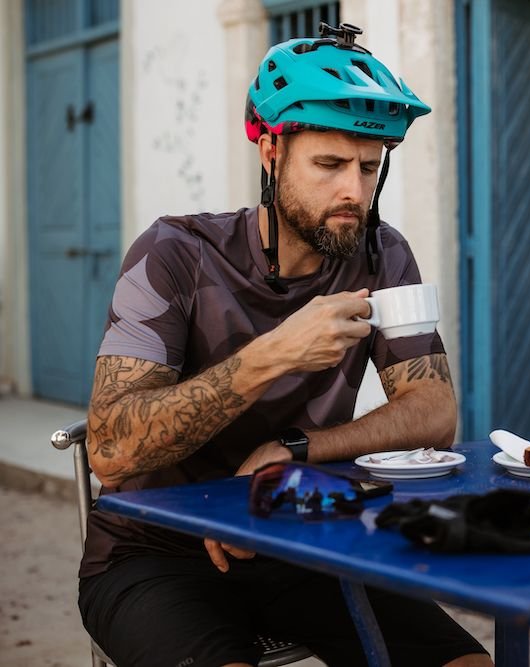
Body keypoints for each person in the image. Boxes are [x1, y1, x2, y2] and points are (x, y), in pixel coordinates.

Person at [77, 23, 491, 667]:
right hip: (153, 552)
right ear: (271, 153)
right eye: (329, 165)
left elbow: (434, 410)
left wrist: (294, 449)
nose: (354, 190)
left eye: (369, 166)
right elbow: (109, 449)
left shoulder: (381, 254)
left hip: (299, 537)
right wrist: (275, 351)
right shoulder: (175, 254)